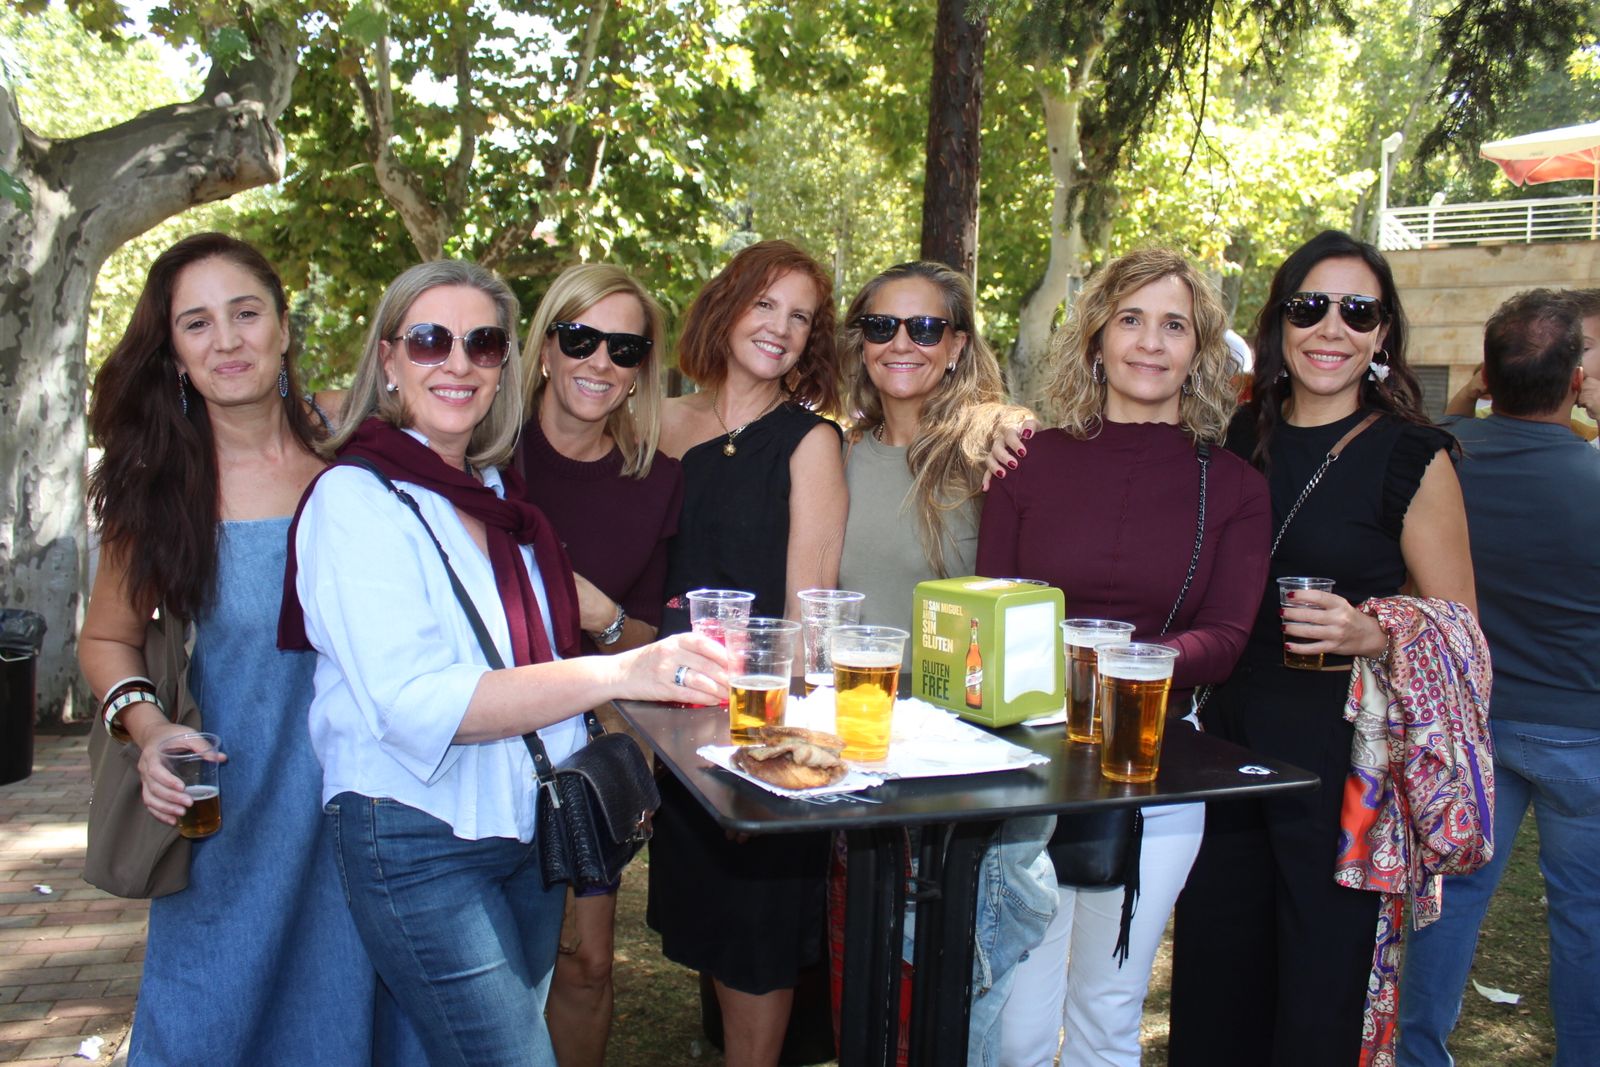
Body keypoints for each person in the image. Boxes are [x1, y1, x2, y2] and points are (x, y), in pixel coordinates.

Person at [278, 259, 728, 1067]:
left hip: (523, 825)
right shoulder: (355, 499)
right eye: (430, 340)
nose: (458, 362)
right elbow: (420, 702)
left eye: (482, 343)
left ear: (502, 366)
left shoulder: (494, 493)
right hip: (418, 833)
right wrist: (620, 671)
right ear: (388, 359)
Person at [1168, 230, 1476, 1066]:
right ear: (1280, 322)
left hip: (1341, 759)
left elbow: (1461, 626)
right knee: (1216, 980)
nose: (1331, 327)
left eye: (1357, 311)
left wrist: (1377, 630)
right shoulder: (1235, 434)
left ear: (1383, 333)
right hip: (1224, 745)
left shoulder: (1412, 453)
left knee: (1321, 989)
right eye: (1310, 306)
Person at [78, 233, 372, 1064]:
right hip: (230, 816)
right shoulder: (157, 489)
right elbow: (106, 637)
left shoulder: (357, 452)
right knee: (210, 1023)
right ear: (174, 352)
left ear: (283, 325)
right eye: (197, 323)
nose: (227, 341)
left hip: (369, 811)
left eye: (245, 313)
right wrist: (148, 730)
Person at [976, 248, 1271, 1067]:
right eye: (1131, 319)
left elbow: (1227, 638)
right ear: (1097, 337)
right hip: (1030, 765)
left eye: (1174, 325)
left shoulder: (1235, 485)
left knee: (1107, 1012)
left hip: (1156, 769)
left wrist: (1120, 659)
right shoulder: (1025, 462)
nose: (1150, 342)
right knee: (1018, 1021)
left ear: (1199, 349)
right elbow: (993, 608)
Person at [646, 239, 847, 1067]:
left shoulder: (811, 442)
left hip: (755, 732)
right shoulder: (657, 423)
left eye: (801, 316)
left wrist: (763, 756)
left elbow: (806, 615)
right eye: (765, 303)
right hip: (667, 720)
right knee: (710, 928)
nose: (780, 327)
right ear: (727, 305)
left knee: (757, 942)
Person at [833, 259, 1038, 1065]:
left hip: (966, 761)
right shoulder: (838, 453)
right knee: (877, 989)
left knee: (961, 993)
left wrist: (1002, 420)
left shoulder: (992, 450)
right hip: (865, 753)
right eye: (882, 325)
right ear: (861, 341)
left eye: (924, 327)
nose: (902, 343)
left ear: (956, 344)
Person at [1398, 290, 1600, 1067]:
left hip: (1474, 719)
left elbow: (1440, 426)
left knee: (1451, 898)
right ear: (1575, 380)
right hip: (1581, 726)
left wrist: (1470, 397)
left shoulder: (1439, 457)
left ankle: (1419, 1053)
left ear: (1485, 372)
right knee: (1585, 917)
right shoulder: (1589, 474)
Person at [516, 263, 683, 1067]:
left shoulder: (655, 480)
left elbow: (649, 638)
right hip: (468, 738)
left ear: (642, 369)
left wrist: (601, 614)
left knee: (585, 962)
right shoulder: (483, 453)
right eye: (580, 338)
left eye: (625, 348)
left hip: (579, 754)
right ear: (546, 348)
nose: (600, 362)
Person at [1443, 287, 1599, 447]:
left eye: (1582, 349)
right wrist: (1467, 394)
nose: (1560, 360)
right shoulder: (1507, 412)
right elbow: (1453, 436)